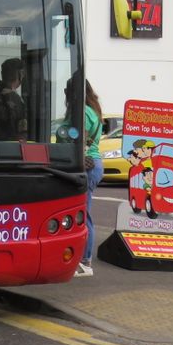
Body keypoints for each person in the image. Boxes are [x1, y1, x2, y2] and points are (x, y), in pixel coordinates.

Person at [69, 77, 104, 277]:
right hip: (94, 163)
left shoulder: (81, 112)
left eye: (68, 91)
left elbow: (75, 137)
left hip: (87, 164)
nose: (65, 95)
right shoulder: (93, 110)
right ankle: (84, 260)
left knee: (84, 213)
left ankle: (85, 262)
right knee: (84, 211)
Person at [0, 58, 27, 140]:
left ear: (2, 73)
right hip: (9, 149)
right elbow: (21, 135)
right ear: (20, 75)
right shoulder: (17, 100)